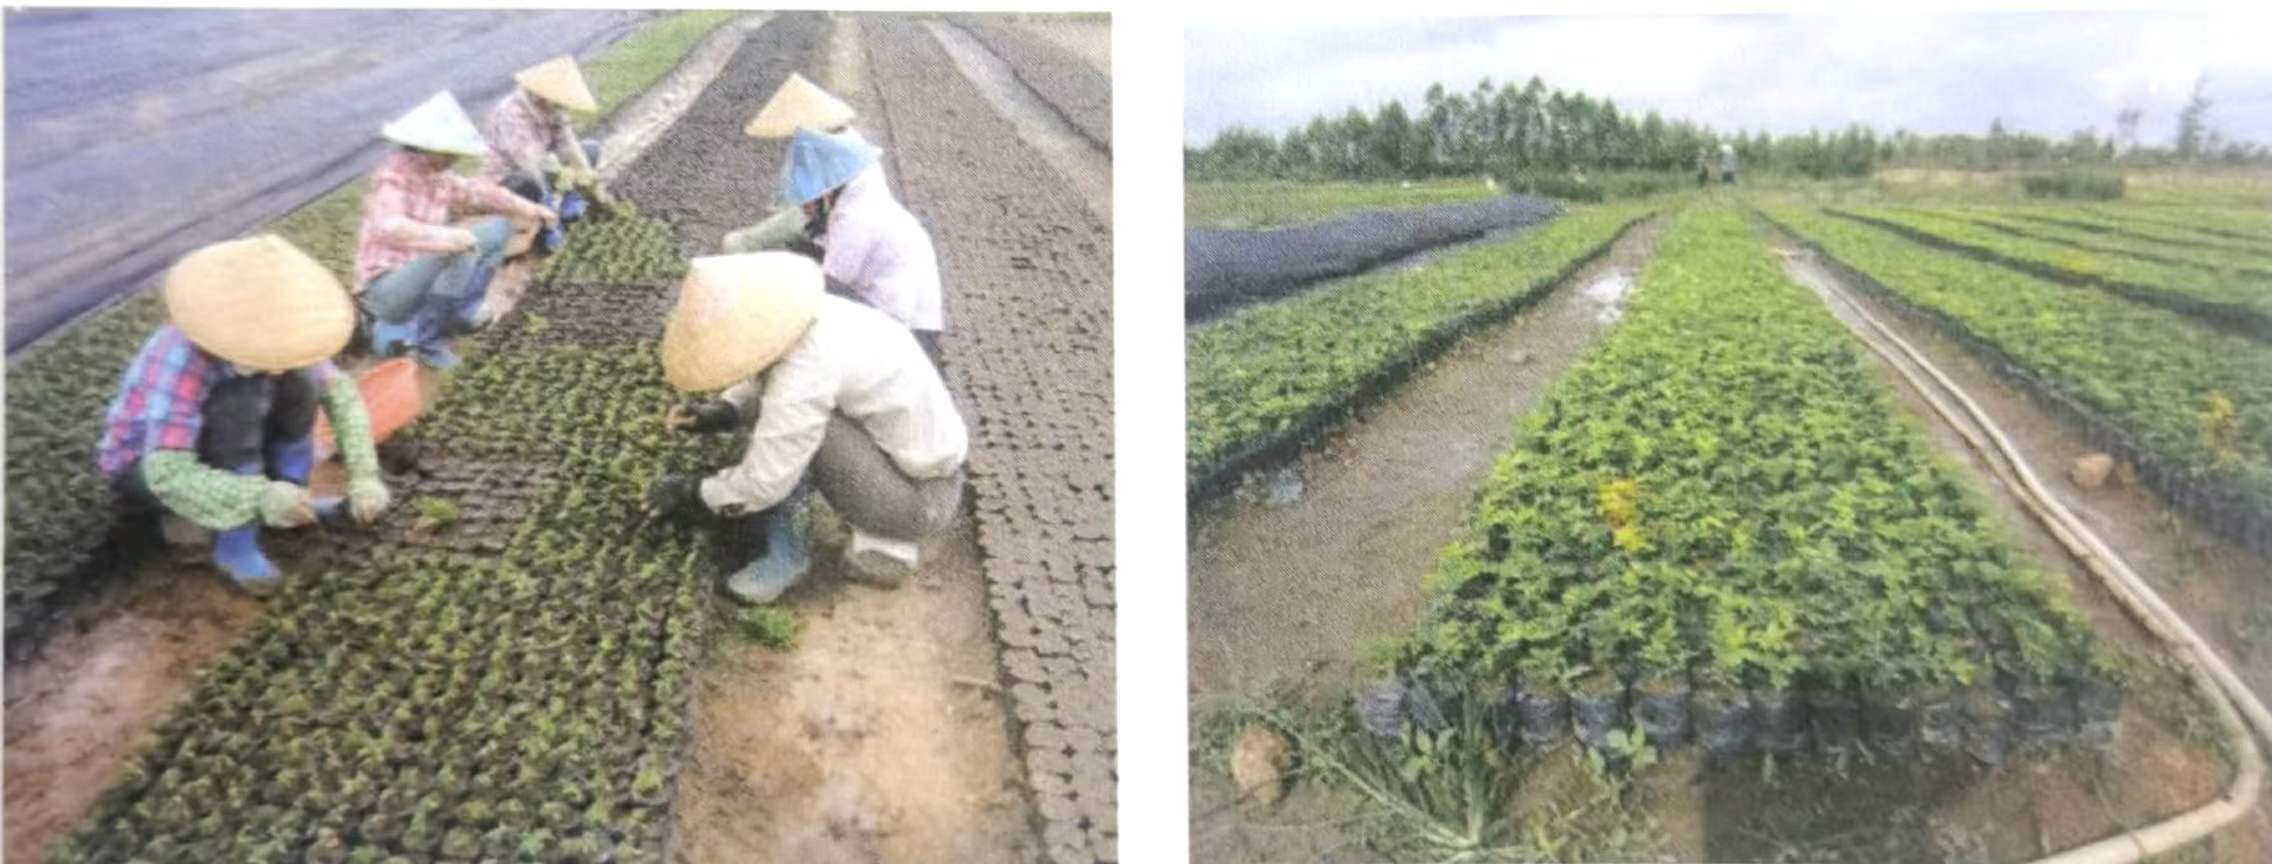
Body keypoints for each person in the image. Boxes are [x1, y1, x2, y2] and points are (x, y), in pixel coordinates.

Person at [644, 252, 968, 605]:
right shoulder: (818, 316)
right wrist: (725, 411)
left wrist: (693, 493)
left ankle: (786, 558)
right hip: (914, 472)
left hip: (917, 501)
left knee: (801, 437)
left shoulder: (809, 365)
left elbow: (766, 482)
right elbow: (771, 371)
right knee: (791, 421)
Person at [96, 236, 392, 595]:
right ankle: (235, 544)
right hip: (150, 466)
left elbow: (340, 395)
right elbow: (168, 472)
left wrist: (364, 475)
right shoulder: (180, 356)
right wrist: (259, 498)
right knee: (240, 402)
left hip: (222, 445)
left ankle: (294, 501)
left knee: (300, 381)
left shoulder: (282, 336)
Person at [353, 91, 556, 369]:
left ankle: (461, 312)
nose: (454, 158)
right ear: (428, 146)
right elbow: (390, 226)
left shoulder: (439, 177)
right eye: (449, 151)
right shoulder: (393, 178)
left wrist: (532, 209)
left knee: (498, 229)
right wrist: (449, 237)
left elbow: (480, 192)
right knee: (458, 247)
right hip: (387, 289)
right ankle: (427, 340)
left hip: (424, 273)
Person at [779, 127, 946, 358]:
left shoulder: (855, 218)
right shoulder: (862, 191)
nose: (804, 210)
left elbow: (829, 286)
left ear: (826, 192)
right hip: (905, 315)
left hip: (908, 334)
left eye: (807, 201)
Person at [721, 73, 883, 257]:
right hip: (854, 221)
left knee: (738, 243)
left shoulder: (823, 150)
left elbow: (805, 202)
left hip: (844, 226)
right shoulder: (851, 142)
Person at [481, 55, 608, 256]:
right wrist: (560, 185)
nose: (562, 107)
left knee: (590, 149)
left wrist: (589, 176)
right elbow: (530, 162)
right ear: (541, 96)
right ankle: (544, 224)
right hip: (514, 178)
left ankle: (567, 208)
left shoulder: (554, 109)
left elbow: (568, 144)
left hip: (547, 167)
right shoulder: (511, 115)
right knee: (532, 182)